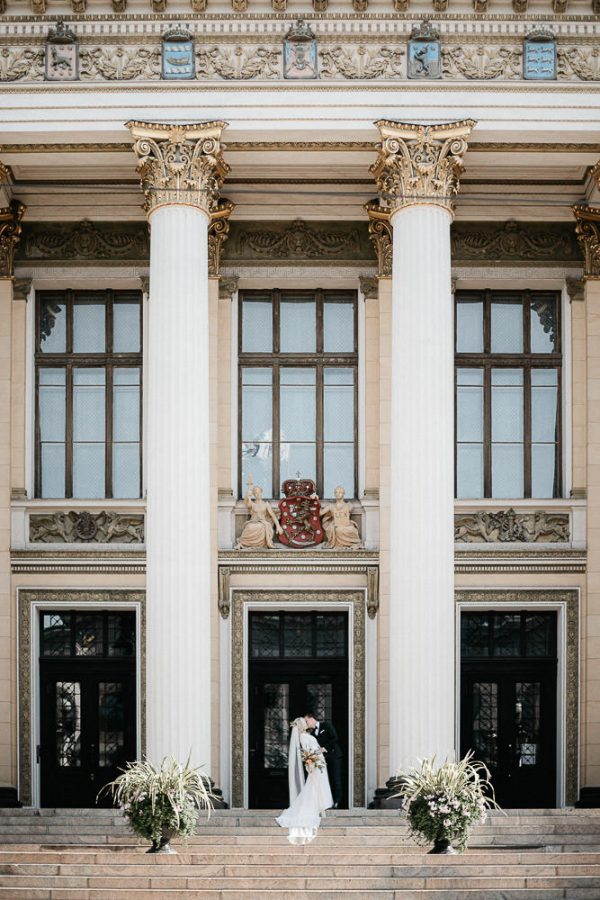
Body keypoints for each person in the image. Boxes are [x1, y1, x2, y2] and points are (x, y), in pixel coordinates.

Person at [275, 717, 333, 845]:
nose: (307, 723)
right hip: (316, 764)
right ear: (301, 725)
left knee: (315, 786)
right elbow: (308, 752)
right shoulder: (304, 737)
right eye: (305, 722)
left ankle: (320, 806)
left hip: (318, 762)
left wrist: (320, 752)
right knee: (314, 787)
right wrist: (315, 759)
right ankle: (316, 807)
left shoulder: (306, 735)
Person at [305, 712, 343, 808]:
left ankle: (338, 801)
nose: (306, 723)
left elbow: (335, 738)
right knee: (327, 779)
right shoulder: (312, 734)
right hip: (322, 760)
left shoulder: (326, 725)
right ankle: (328, 801)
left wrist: (324, 748)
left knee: (336, 779)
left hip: (334, 756)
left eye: (306, 721)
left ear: (311, 718)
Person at [236, 475, 283, 549]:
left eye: (259, 492)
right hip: (253, 522)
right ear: (254, 495)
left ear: (261, 493)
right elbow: (246, 501)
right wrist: (248, 493)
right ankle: (242, 543)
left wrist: (278, 526)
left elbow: (273, 515)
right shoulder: (253, 504)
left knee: (261, 527)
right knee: (249, 527)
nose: (258, 494)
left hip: (262, 523)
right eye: (256, 493)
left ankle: (258, 544)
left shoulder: (266, 504)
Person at [319, 485, 362, 550]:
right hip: (336, 525)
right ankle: (339, 544)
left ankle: (352, 543)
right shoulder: (331, 506)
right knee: (338, 530)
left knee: (352, 529)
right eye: (336, 492)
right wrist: (315, 501)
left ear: (343, 494)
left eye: (340, 492)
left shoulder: (349, 505)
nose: (337, 494)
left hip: (346, 525)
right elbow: (320, 513)